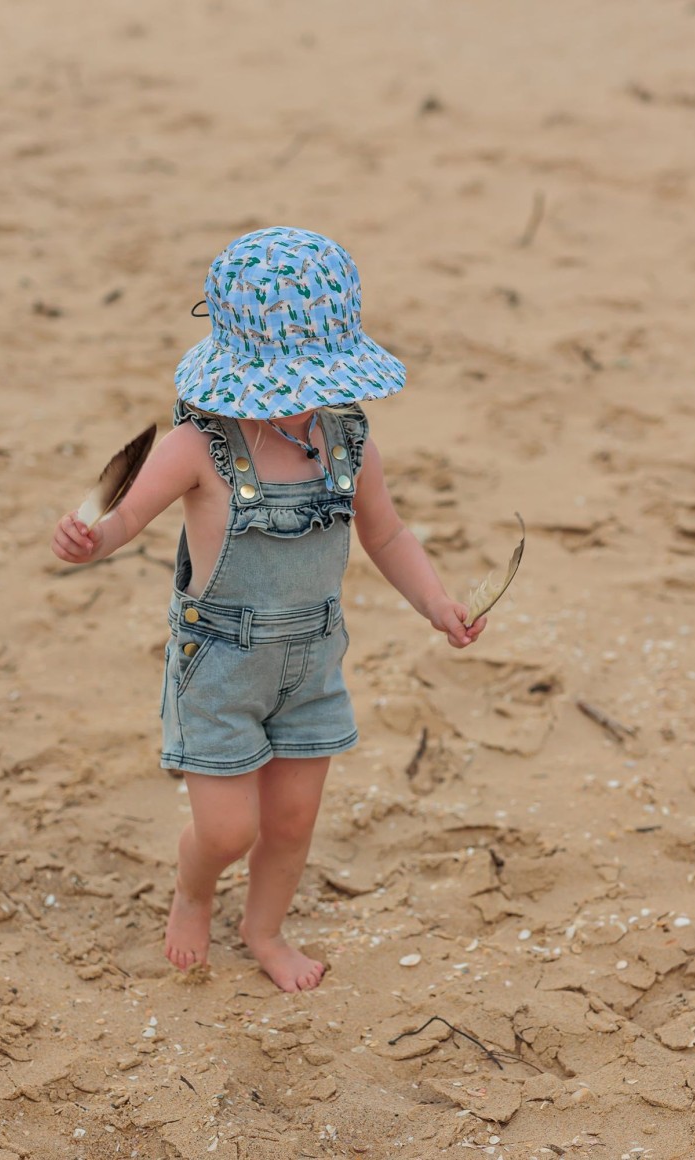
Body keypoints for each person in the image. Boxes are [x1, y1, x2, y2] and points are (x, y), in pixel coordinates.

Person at [51, 226, 487, 992]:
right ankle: (193, 891)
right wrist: (92, 540)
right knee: (227, 828)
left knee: (289, 824)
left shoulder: (349, 440)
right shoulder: (197, 446)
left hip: (310, 661)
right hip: (220, 664)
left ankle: (264, 929)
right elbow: (124, 519)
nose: (303, 395)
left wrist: (436, 603)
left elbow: (384, 534)